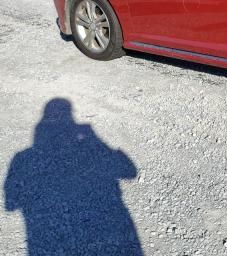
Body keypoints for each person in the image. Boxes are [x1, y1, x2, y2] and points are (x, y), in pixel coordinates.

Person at [4, 98, 143, 256]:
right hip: (111, 220)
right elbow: (129, 171)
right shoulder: (24, 157)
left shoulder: (22, 157)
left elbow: (11, 204)